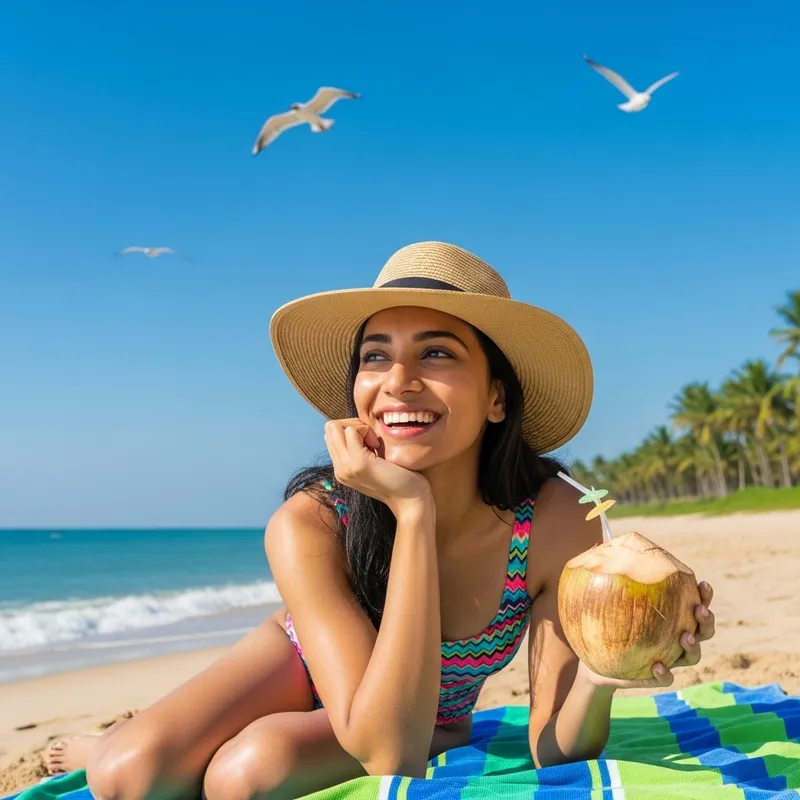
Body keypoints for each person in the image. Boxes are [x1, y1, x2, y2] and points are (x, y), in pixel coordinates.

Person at [45, 241, 716, 800]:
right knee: (124, 773)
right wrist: (410, 507)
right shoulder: (311, 521)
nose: (397, 380)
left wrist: (600, 675)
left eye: (436, 353)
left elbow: (454, 751)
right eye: (375, 356)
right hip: (302, 661)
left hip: (421, 717)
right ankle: (107, 740)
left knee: (247, 773)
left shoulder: (553, 518)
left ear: (495, 397)